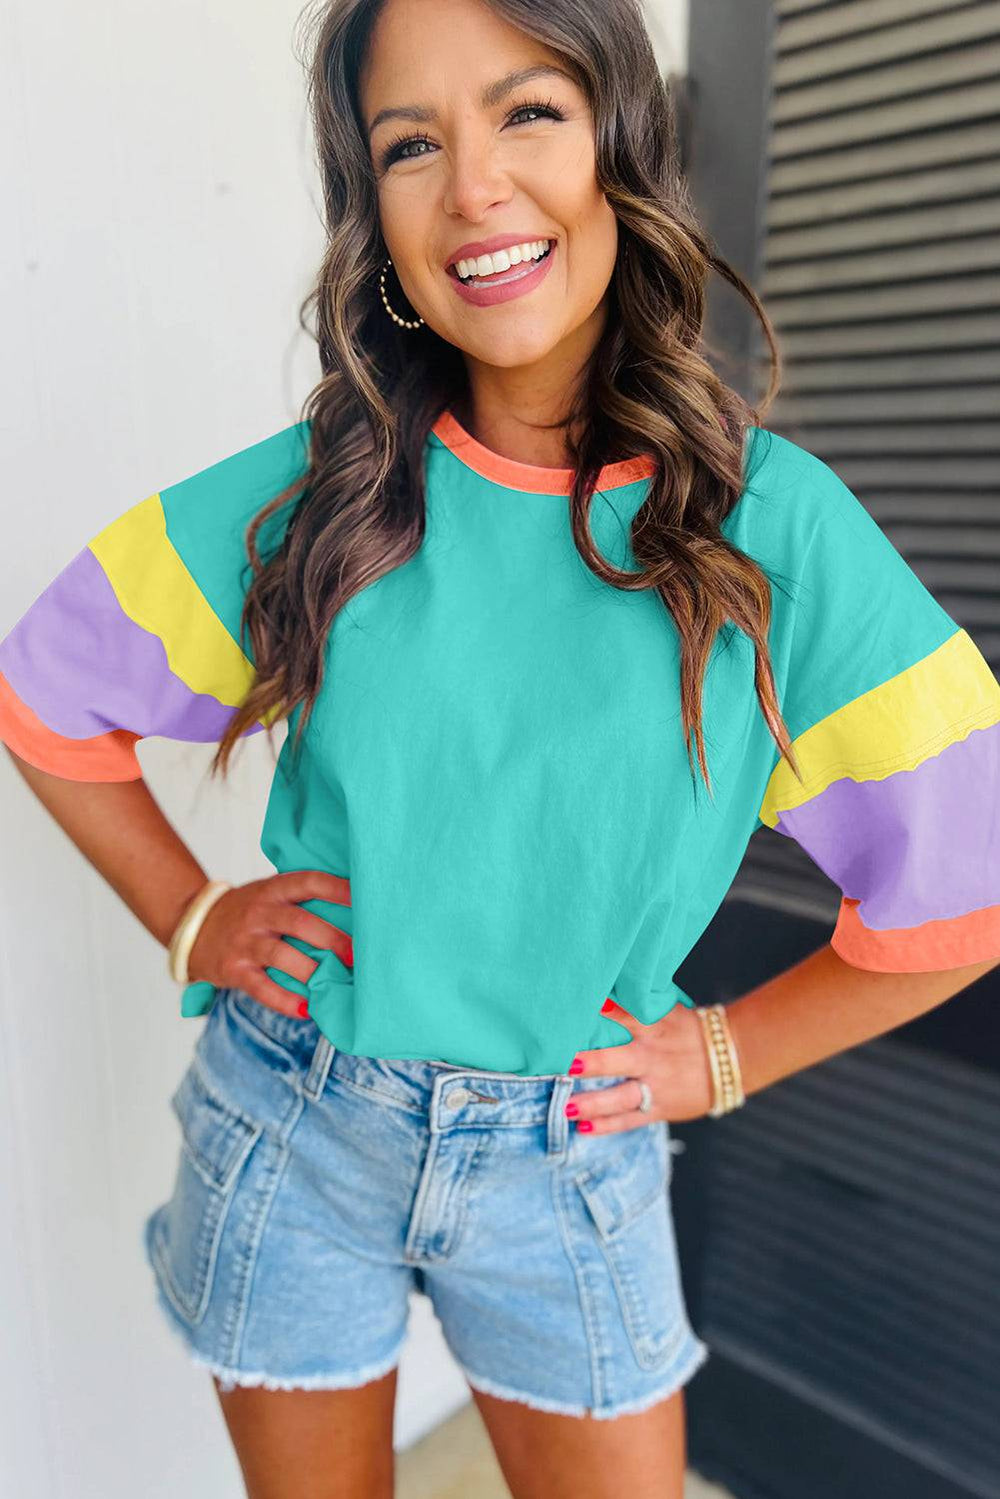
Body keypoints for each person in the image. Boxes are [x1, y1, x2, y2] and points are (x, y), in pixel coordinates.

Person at [2, 0, 999, 1495]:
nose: (473, 184)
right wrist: (194, 915)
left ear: (623, 142)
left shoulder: (773, 534)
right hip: (295, 1114)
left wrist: (723, 1056)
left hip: (568, 1160)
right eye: (411, 144)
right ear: (375, 213)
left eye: (528, 112)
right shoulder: (327, 495)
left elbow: (961, 889)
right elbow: (50, 693)